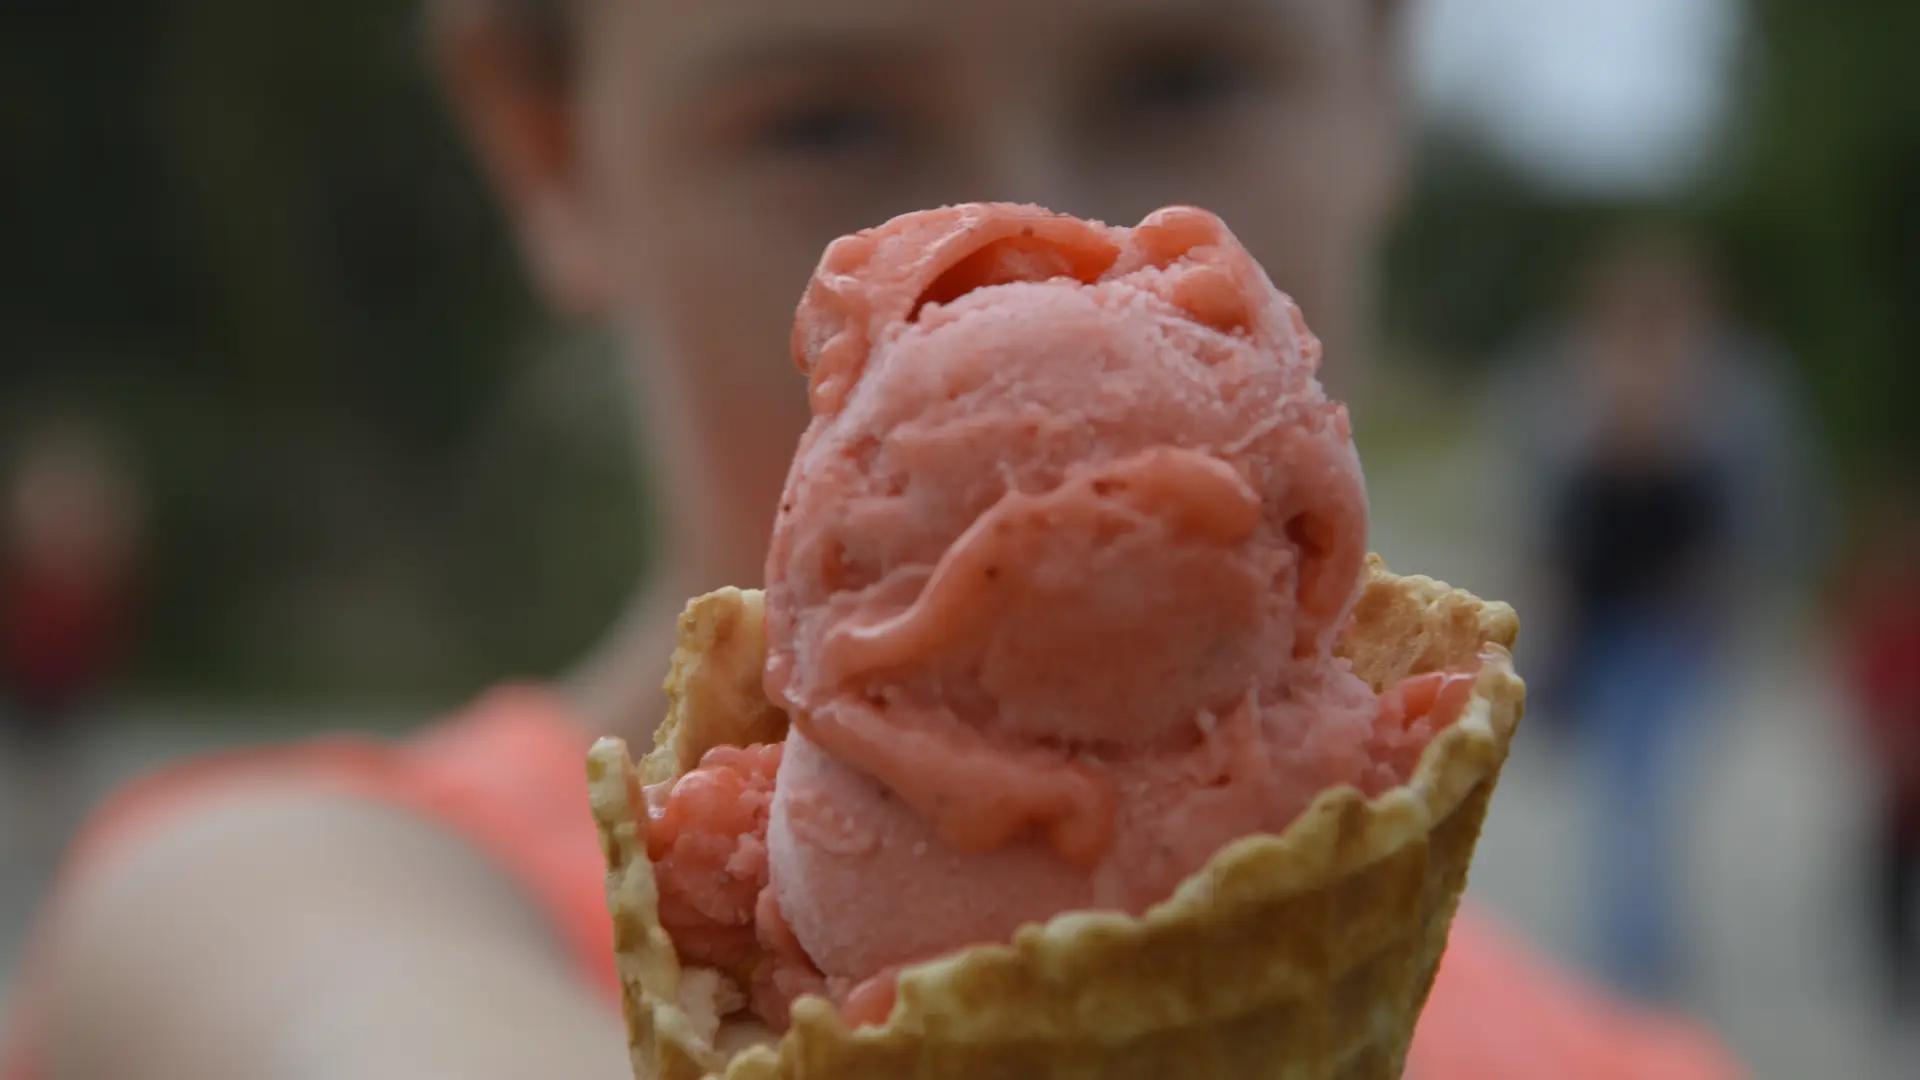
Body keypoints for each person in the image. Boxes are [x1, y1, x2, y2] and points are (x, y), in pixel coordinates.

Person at [2, 3, 1746, 1078]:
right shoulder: (289, 911)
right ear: (549, 150)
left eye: (1188, 68)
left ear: (1386, 71)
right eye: (819, 115)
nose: (1029, 223)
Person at [1494, 229, 1820, 1001]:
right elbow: (1536, 509)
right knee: (1626, 790)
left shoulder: (1737, 390)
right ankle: (1637, 957)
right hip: (1597, 622)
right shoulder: (1561, 380)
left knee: (1642, 788)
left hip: (1675, 630)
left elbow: (1775, 511)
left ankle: (1631, 964)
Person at [0, 420, 141, 871]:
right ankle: (38, 840)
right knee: (32, 759)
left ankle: (57, 841)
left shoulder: (91, 567)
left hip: (70, 679)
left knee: (61, 762)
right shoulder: (32, 566)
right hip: (30, 676)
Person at [1836, 493, 1920, 1011]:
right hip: (1900, 772)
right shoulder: (1889, 612)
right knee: (1891, 871)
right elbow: (1867, 682)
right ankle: (1895, 968)